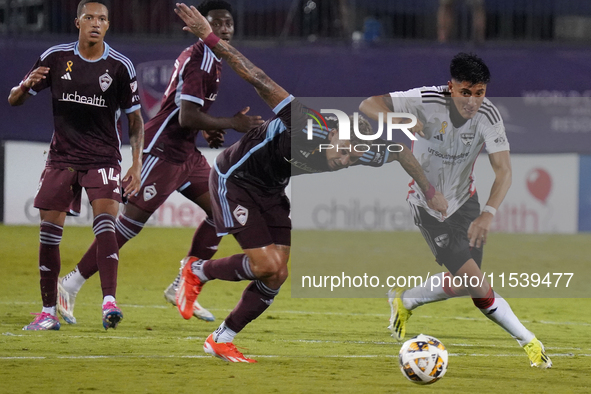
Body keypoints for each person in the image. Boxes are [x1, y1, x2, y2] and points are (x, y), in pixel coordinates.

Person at [171, 3, 447, 363]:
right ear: (332, 132)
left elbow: (401, 153)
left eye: (351, 157)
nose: (344, 158)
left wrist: (429, 191)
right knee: (266, 264)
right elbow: (255, 76)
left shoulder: (363, 150)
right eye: (344, 151)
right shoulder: (306, 122)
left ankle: (221, 338)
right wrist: (208, 36)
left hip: (271, 188)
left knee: (278, 274)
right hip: (234, 178)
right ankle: (195, 270)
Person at [57, 0, 263, 325]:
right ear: (200, 27)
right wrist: (230, 124)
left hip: (186, 153)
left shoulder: (214, 58)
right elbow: (186, 114)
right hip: (163, 151)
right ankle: (70, 283)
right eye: (215, 24)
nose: (223, 29)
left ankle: (183, 285)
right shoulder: (200, 60)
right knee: (126, 228)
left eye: (227, 24)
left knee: (222, 210)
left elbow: (191, 113)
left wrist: (208, 132)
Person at [359, 52, 552, 368]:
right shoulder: (425, 99)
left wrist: (488, 213)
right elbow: (368, 105)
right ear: (451, 87)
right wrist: (402, 121)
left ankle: (405, 300)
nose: (473, 101)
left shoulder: (488, 116)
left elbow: (504, 170)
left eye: (480, 93)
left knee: (465, 283)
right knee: (476, 283)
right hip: (429, 205)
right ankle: (529, 341)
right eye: (466, 92)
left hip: (467, 204)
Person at [8, 0, 144, 331]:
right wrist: (26, 86)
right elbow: (14, 99)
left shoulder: (120, 66)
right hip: (62, 158)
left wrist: (136, 163)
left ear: (108, 26)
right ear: (77, 22)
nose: (95, 23)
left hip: (103, 157)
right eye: (89, 17)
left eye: (102, 19)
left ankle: (109, 301)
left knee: (106, 223)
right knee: (49, 234)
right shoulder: (56, 58)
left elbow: (136, 121)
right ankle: (48, 312)